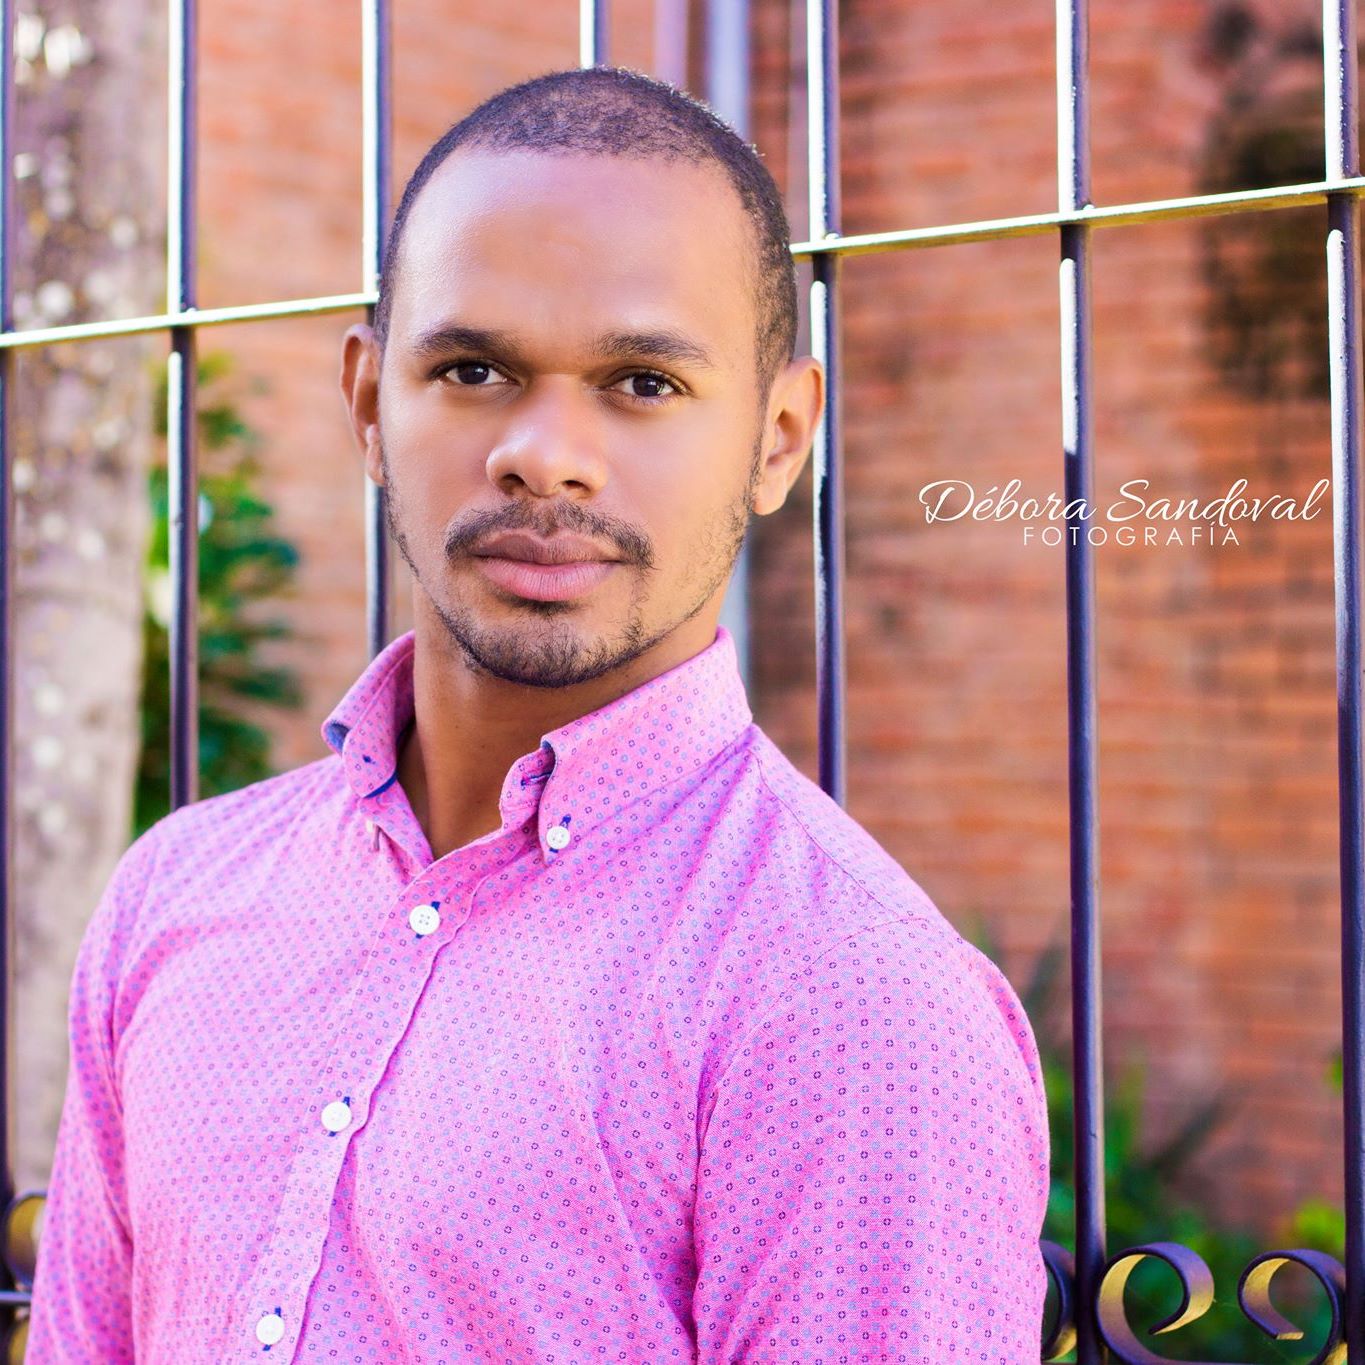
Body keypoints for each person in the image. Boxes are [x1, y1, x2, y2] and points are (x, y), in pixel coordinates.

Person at [26, 65, 1050, 1364]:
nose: (545, 454)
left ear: (779, 437)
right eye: (473, 369)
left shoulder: (852, 1004)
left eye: (643, 382)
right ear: (368, 405)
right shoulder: (177, 896)